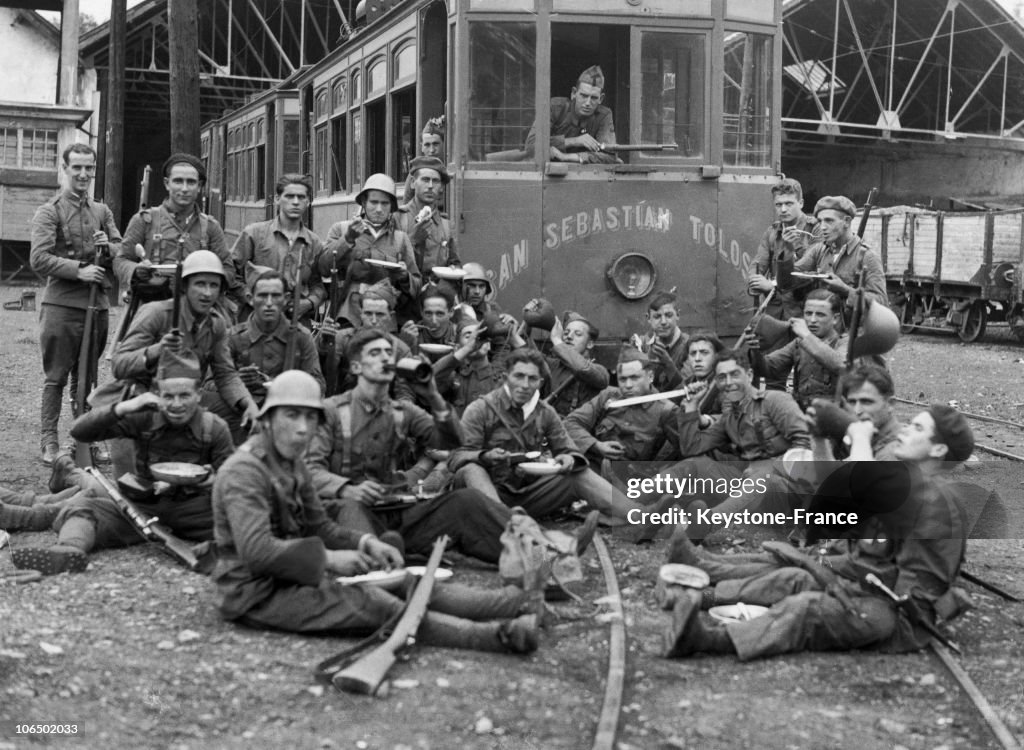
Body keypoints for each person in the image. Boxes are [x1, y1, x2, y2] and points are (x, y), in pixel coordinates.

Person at [211, 369, 540, 654]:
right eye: (291, 415)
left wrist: (367, 543)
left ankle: (514, 604)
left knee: (404, 581)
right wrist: (330, 560)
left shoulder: (292, 463)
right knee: (375, 603)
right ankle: (493, 637)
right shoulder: (245, 472)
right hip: (256, 593)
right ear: (267, 419)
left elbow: (323, 528)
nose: (302, 428)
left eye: (310, 417)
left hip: (292, 574)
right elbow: (256, 551)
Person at [661, 405, 975, 661]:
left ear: (939, 448)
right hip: (865, 583)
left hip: (897, 614)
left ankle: (708, 639)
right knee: (794, 574)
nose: (905, 430)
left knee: (804, 607)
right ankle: (701, 591)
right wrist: (820, 439)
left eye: (918, 428)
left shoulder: (936, 500)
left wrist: (858, 435)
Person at [309, 328, 554, 565]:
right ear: (356, 367)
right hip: (346, 512)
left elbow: (455, 443)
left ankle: (543, 559)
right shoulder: (331, 411)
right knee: (354, 513)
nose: (385, 358)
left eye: (388, 353)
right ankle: (382, 562)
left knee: (465, 502)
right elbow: (308, 471)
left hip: (394, 512)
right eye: (375, 353)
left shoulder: (402, 411)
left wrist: (433, 396)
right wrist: (346, 489)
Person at [10, 351, 234, 576]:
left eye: (184, 396)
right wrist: (124, 407)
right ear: (157, 395)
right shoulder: (144, 417)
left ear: (198, 395)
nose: (176, 404)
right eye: (168, 396)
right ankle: (68, 552)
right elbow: (80, 431)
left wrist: (211, 480)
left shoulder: (214, 428)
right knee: (81, 508)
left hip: (195, 508)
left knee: (246, 517)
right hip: (144, 505)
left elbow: (234, 482)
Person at [451, 348, 646, 522]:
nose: (525, 385)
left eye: (532, 379)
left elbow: (569, 449)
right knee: (471, 470)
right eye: (518, 376)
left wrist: (568, 459)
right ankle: (507, 525)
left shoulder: (545, 412)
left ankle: (640, 515)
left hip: (525, 494)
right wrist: (484, 457)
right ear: (504, 378)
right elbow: (456, 457)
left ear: (540, 382)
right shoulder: (480, 409)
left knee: (579, 473)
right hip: (481, 495)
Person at [651, 350, 811, 541]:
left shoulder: (775, 400)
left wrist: (768, 467)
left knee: (763, 478)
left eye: (735, 374)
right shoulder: (730, 414)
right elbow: (691, 447)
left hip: (787, 491)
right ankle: (634, 505)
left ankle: (707, 522)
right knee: (695, 464)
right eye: (721, 377)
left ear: (749, 375)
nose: (728, 382)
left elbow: (807, 445)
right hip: (749, 489)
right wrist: (692, 407)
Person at [29, 143, 123, 465]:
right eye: (77, 168)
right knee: (56, 376)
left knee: (88, 375)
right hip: (61, 306)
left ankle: (85, 439)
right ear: (65, 169)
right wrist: (79, 271)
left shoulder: (102, 211)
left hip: (96, 306)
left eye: (89, 168)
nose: (83, 174)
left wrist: (106, 247)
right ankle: (49, 442)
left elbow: (121, 249)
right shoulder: (50, 211)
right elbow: (39, 259)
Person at [208, 269, 325, 441]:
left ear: (286, 299)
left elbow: (318, 385)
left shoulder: (301, 337)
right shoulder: (232, 337)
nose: (269, 303)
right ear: (250, 298)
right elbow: (208, 385)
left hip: (287, 416)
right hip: (242, 418)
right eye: (262, 295)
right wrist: (237, 382)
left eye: (276, 296)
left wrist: (278, 384)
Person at [114, 153, 237, 311]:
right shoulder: (144, 221)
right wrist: (136, 271)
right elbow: (121, 261)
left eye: (191, 182)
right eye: (178, 181)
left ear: (199, 186)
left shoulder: (211, 227)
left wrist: (206, 280)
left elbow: (228, 270)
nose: (184, 189)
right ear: (167, 184)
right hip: (150, 308)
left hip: (197, 312)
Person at [320, 174, 420, 327]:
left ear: (391, 208)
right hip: (347, 317)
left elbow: (416, 284)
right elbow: (324, 268)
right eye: (373, 202)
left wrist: (405, 276)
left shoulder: (400, 239)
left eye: (385, 203)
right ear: (364, 203)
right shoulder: (341, 229)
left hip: (385, 318)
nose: (379, 209)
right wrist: (347, 239)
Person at [230, 173, 325, 327]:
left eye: (301, 197)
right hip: (254, 322)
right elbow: (231, 273)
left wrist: (308, 303)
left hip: (295, 324)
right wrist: (252, 298)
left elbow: (318, 284)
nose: (295, 202)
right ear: (277, 199)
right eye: (289, 196)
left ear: (308, 202)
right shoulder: (254, 234)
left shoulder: (313, 242)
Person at [564, 347, 672, 470]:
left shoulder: (665, 410)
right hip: (593, 467)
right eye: (623, 379)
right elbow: (569, 423)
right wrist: (596, 445)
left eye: (635, 378)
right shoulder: (608, 396)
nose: (628, 385)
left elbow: (686, 451)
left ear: (651, 376)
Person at [789, 195, 888, 324]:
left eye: (829, 221)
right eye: (820, 221)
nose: (823, 227)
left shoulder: (867, 256)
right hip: (822, 331)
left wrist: (847, 291)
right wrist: (787, 249)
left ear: (846, 222)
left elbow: (882, 303)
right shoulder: (819, 250)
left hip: (851, 333)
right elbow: (790, 278)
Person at [752, 289, 846, 409]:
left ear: (835, 319)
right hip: (802, 411)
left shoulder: (845, 341)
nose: (812, 320)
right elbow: (768, 368)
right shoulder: (799, 343)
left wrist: (806, 335)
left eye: (820, 314)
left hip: (834, 413)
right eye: (808, 313)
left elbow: (841, 365)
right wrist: (755, 349)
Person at [747, 178, 821, 322]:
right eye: (778, 204)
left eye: (789, 203)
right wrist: (755, 279)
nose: (783, 209)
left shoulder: (815, 230)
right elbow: (757, 264)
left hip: (804, 311)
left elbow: (812, 273)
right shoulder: (772, 232)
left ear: (801, 203)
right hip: (774, 311)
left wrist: (772, 285)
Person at [331, 282, 414, 401]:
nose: (374, 321)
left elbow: (405, 393)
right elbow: (327, 374)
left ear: (390, 316)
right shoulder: (343, 338)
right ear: (361, 314)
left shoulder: (401, 350)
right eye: (368, 314)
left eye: (380, 315)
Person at [525, 66, 619, 164]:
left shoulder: (603, 115)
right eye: (584, 95)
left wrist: (565, 157)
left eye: (594, 98)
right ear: (574, 93)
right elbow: (531, 145)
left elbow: (610, 156)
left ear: (601, 99)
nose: (587, 103)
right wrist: (575, 141)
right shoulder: (555, 107)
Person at [393, 157, 459, 277]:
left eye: (435, 181)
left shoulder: (445, 225)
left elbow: (454, 262)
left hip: (436, 291)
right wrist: (413, 240)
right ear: (413, 183)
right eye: (425, 180)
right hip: (406, 289)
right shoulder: (398, 218)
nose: (430, 186)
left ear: (441, 187)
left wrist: (454, 269)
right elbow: (389, 259)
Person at [432, 318, 510, 416]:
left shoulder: (499, 378)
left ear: (489, 344)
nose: (476, 339)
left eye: (481, 336)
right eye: (468, 336)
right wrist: (467, 348)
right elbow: (430, 378)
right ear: (458, 346)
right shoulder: (453, 377)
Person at [541, 312, 609, 417]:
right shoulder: (552, 365)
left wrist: (557, 341)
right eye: (566, 332)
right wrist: (525, 325)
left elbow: (582, 368)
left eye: (578, 334)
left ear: (590, 344)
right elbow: (526, 353)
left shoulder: (600, 372)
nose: (569, 337)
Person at [643, 291, 690, 393]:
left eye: (668, 315)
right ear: (648, 318)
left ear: (677, 315)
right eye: (657, 317)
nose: (663, 322)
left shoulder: (690, 346)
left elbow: (688, 389)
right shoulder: (642, 344)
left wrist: (668, 364)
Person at [402, 117, 446, 203]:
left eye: (436, 144)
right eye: (427, 145)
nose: (432, 150)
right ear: (421, 147)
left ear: (444, 145)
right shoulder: (415, 172)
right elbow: (406, 205)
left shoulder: (449, 169)